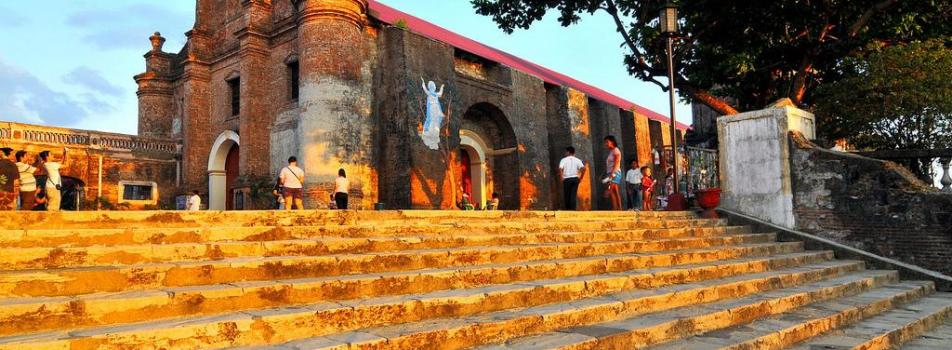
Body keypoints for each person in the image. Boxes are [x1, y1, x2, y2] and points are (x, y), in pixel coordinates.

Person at [38, 148, 68, 212]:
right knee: (53, 208)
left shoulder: (46, 164)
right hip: (53, 188)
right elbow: (67, 165)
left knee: (51, 205)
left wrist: (64, 154)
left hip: (50, 187)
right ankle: (50, 218)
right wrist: (68, 153)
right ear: (47, 157)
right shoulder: (52, 165)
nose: (52, 155)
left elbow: (61, 162)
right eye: (51, 154)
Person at [602, 136, 623, 211]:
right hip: (611, 172)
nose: (605, 144)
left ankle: (616, 208)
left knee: (610, 190)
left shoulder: (615, 150)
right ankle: (618, 208)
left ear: (612, 142)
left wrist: (612, 173)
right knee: (615, 191)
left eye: (607, 142)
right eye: (605, 142)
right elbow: (609, 165)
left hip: (614, 173)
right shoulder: (611, 151)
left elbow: (617, 162)